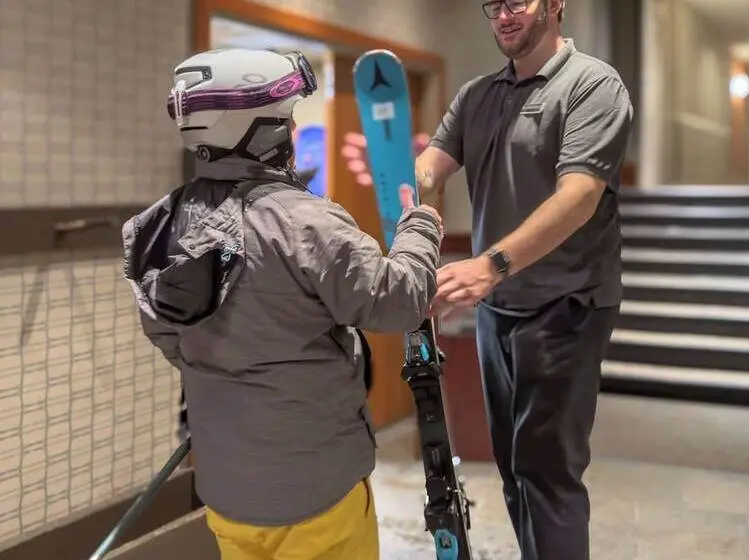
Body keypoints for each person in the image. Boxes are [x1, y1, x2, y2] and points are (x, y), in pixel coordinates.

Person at [121, 48, 443, 560]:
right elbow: (401, 301)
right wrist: (419, 226)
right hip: (316, 493)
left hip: (227, 493)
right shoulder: (307, 225)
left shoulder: (154, 230)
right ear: (263, 131)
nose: (293, 132)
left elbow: (170, 340)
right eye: (286, 120)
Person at [342, 1, 633, 558]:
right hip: (500, 309)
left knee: (548, 472)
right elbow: (434, 162)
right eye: (493, 5)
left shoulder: (592, 85)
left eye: (517, 2)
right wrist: (420, 180)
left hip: (567, 304)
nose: (503, 15)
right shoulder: (478, 95)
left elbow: (578, 199)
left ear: (555, 4)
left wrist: (490, 264)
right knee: (512, 465)